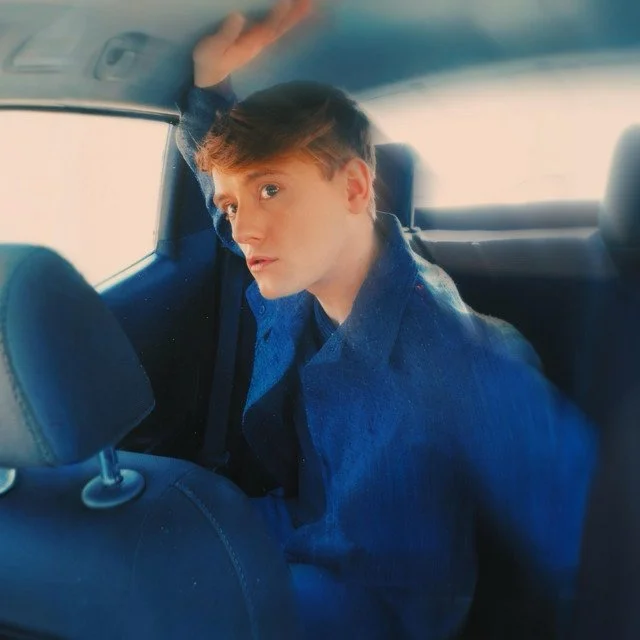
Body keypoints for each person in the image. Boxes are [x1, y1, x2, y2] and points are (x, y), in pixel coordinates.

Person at [175, 2, 598, 638]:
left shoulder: (459, 358)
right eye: (234, 205)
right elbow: (223, 209)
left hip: (373, 603)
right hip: (296, 526)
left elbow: (599, 546)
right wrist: (211, 88)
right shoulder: (291, 267)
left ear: (354, 188)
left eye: (270, 189)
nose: (243, 228)